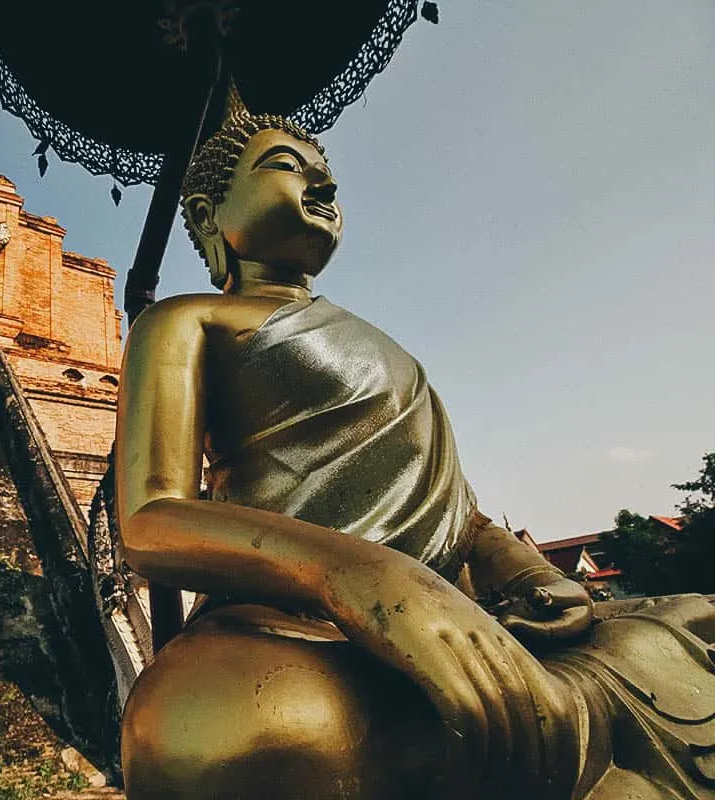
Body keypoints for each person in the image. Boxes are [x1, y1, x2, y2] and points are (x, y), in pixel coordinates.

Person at [115, 106, 715, 799]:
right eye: (286, 166)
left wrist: (528, 575)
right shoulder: (187, 321)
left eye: (327, 176)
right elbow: (151, 519)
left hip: (445, 619)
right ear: (204, 213)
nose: (324, 189)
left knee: (677, 629)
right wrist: (353, 575)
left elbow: (460, 513)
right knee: (220, 726)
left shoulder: (379, 343)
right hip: (286, 631)